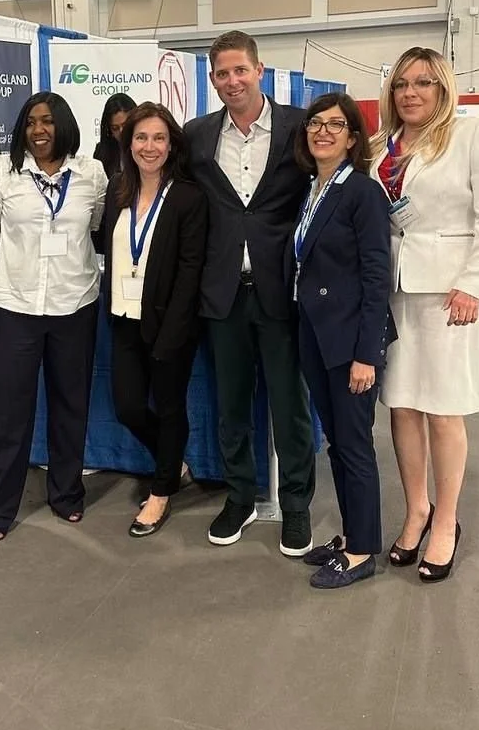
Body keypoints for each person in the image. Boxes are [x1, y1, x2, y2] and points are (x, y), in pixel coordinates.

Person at [372, 47, 479, 582]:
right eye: (402, 84)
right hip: (392, 293)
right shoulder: (377, 149)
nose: (410, 93)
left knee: (443, 410)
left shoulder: (474, 136)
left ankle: (447, 522)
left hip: (449, 295)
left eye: (423, 83)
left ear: (443, 89)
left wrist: (474, 287)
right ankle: (416, 510)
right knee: (403, 406)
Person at [185, 31, 316, 554]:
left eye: (241, 70)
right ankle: (239, 497)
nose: (232, 81)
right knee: (231, 405)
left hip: (282, 291)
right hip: (222, 294)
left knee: (290, 405)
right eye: (222, 73)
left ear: (260, 70)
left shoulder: (300, 127)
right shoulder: (196, 136)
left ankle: (298, 506)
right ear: (212, 79)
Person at [0, 92, 107, 541]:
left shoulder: (92, 174)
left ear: (64, 125)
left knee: (70, 406)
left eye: (46, 121)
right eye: (30, 123)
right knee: (9, 412)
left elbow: (97, 225)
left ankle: (66, 495)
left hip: (75, 305)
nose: (38, 130)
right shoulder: (0, 171)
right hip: (14, 307)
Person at [289, 93, 394, 589]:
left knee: (354, 445)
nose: (323, 132)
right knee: (336, 441)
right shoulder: (316, 188)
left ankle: (361, 551)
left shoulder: (363, 193)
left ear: (353, 138)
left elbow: (377, 278)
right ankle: (352, 534)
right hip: (316, 334)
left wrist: (366, 355)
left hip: (350, 342)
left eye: (335, 125)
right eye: (316, 124)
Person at [102, 103, 208, 538]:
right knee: (128, 407)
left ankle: (162, 492)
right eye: (141, 137)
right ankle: (174, 463)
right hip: (124, 318)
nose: (149, 146)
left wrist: (174, 331)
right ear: (128, 143)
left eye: (158, 138)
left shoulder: (188, 196)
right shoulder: (117, 190)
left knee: (169, 408)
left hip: (169, 324)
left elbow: (190, 270)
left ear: (172, 144)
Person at [94, 94, 137, 178]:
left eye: (125, 125)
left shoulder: (147, 147)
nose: (122, 131)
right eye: (115, 128)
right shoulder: (102, 152)